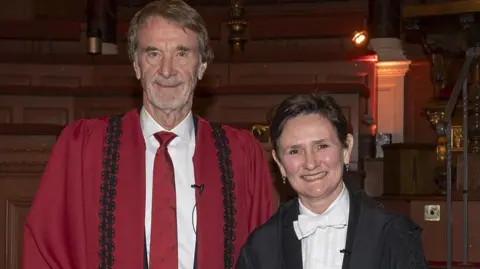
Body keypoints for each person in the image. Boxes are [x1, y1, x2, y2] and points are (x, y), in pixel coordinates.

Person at [22, 1, 275, 268]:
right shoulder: (83, 148)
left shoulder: (240, 155)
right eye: (153, 54)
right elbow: (45, 250)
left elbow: (265, 255)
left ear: (201, 67)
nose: (167, 71)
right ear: (136, 65)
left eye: (182, 53)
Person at [235, 93, 428, 269]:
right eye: (294, 151)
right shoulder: (261, 246)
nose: (310, 163)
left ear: (346, 149)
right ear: (279, 162)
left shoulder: (395, 235)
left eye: (322, 146)